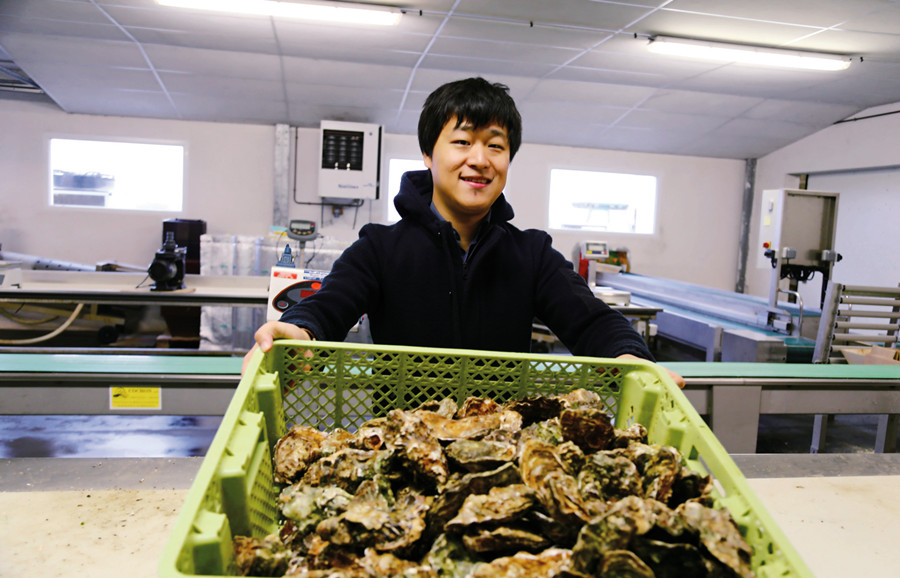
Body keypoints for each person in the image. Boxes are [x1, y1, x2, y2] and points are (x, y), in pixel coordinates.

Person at [244, 77, 683, 388]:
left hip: (502, 457)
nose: (480, 159)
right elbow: (330, 305)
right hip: (405, 447)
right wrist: (299, 329)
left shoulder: (531, 254)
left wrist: (632, 357)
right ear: (428, 155)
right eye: (461, 142)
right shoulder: (380, 247)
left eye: (496, 145)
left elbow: (591, 321)